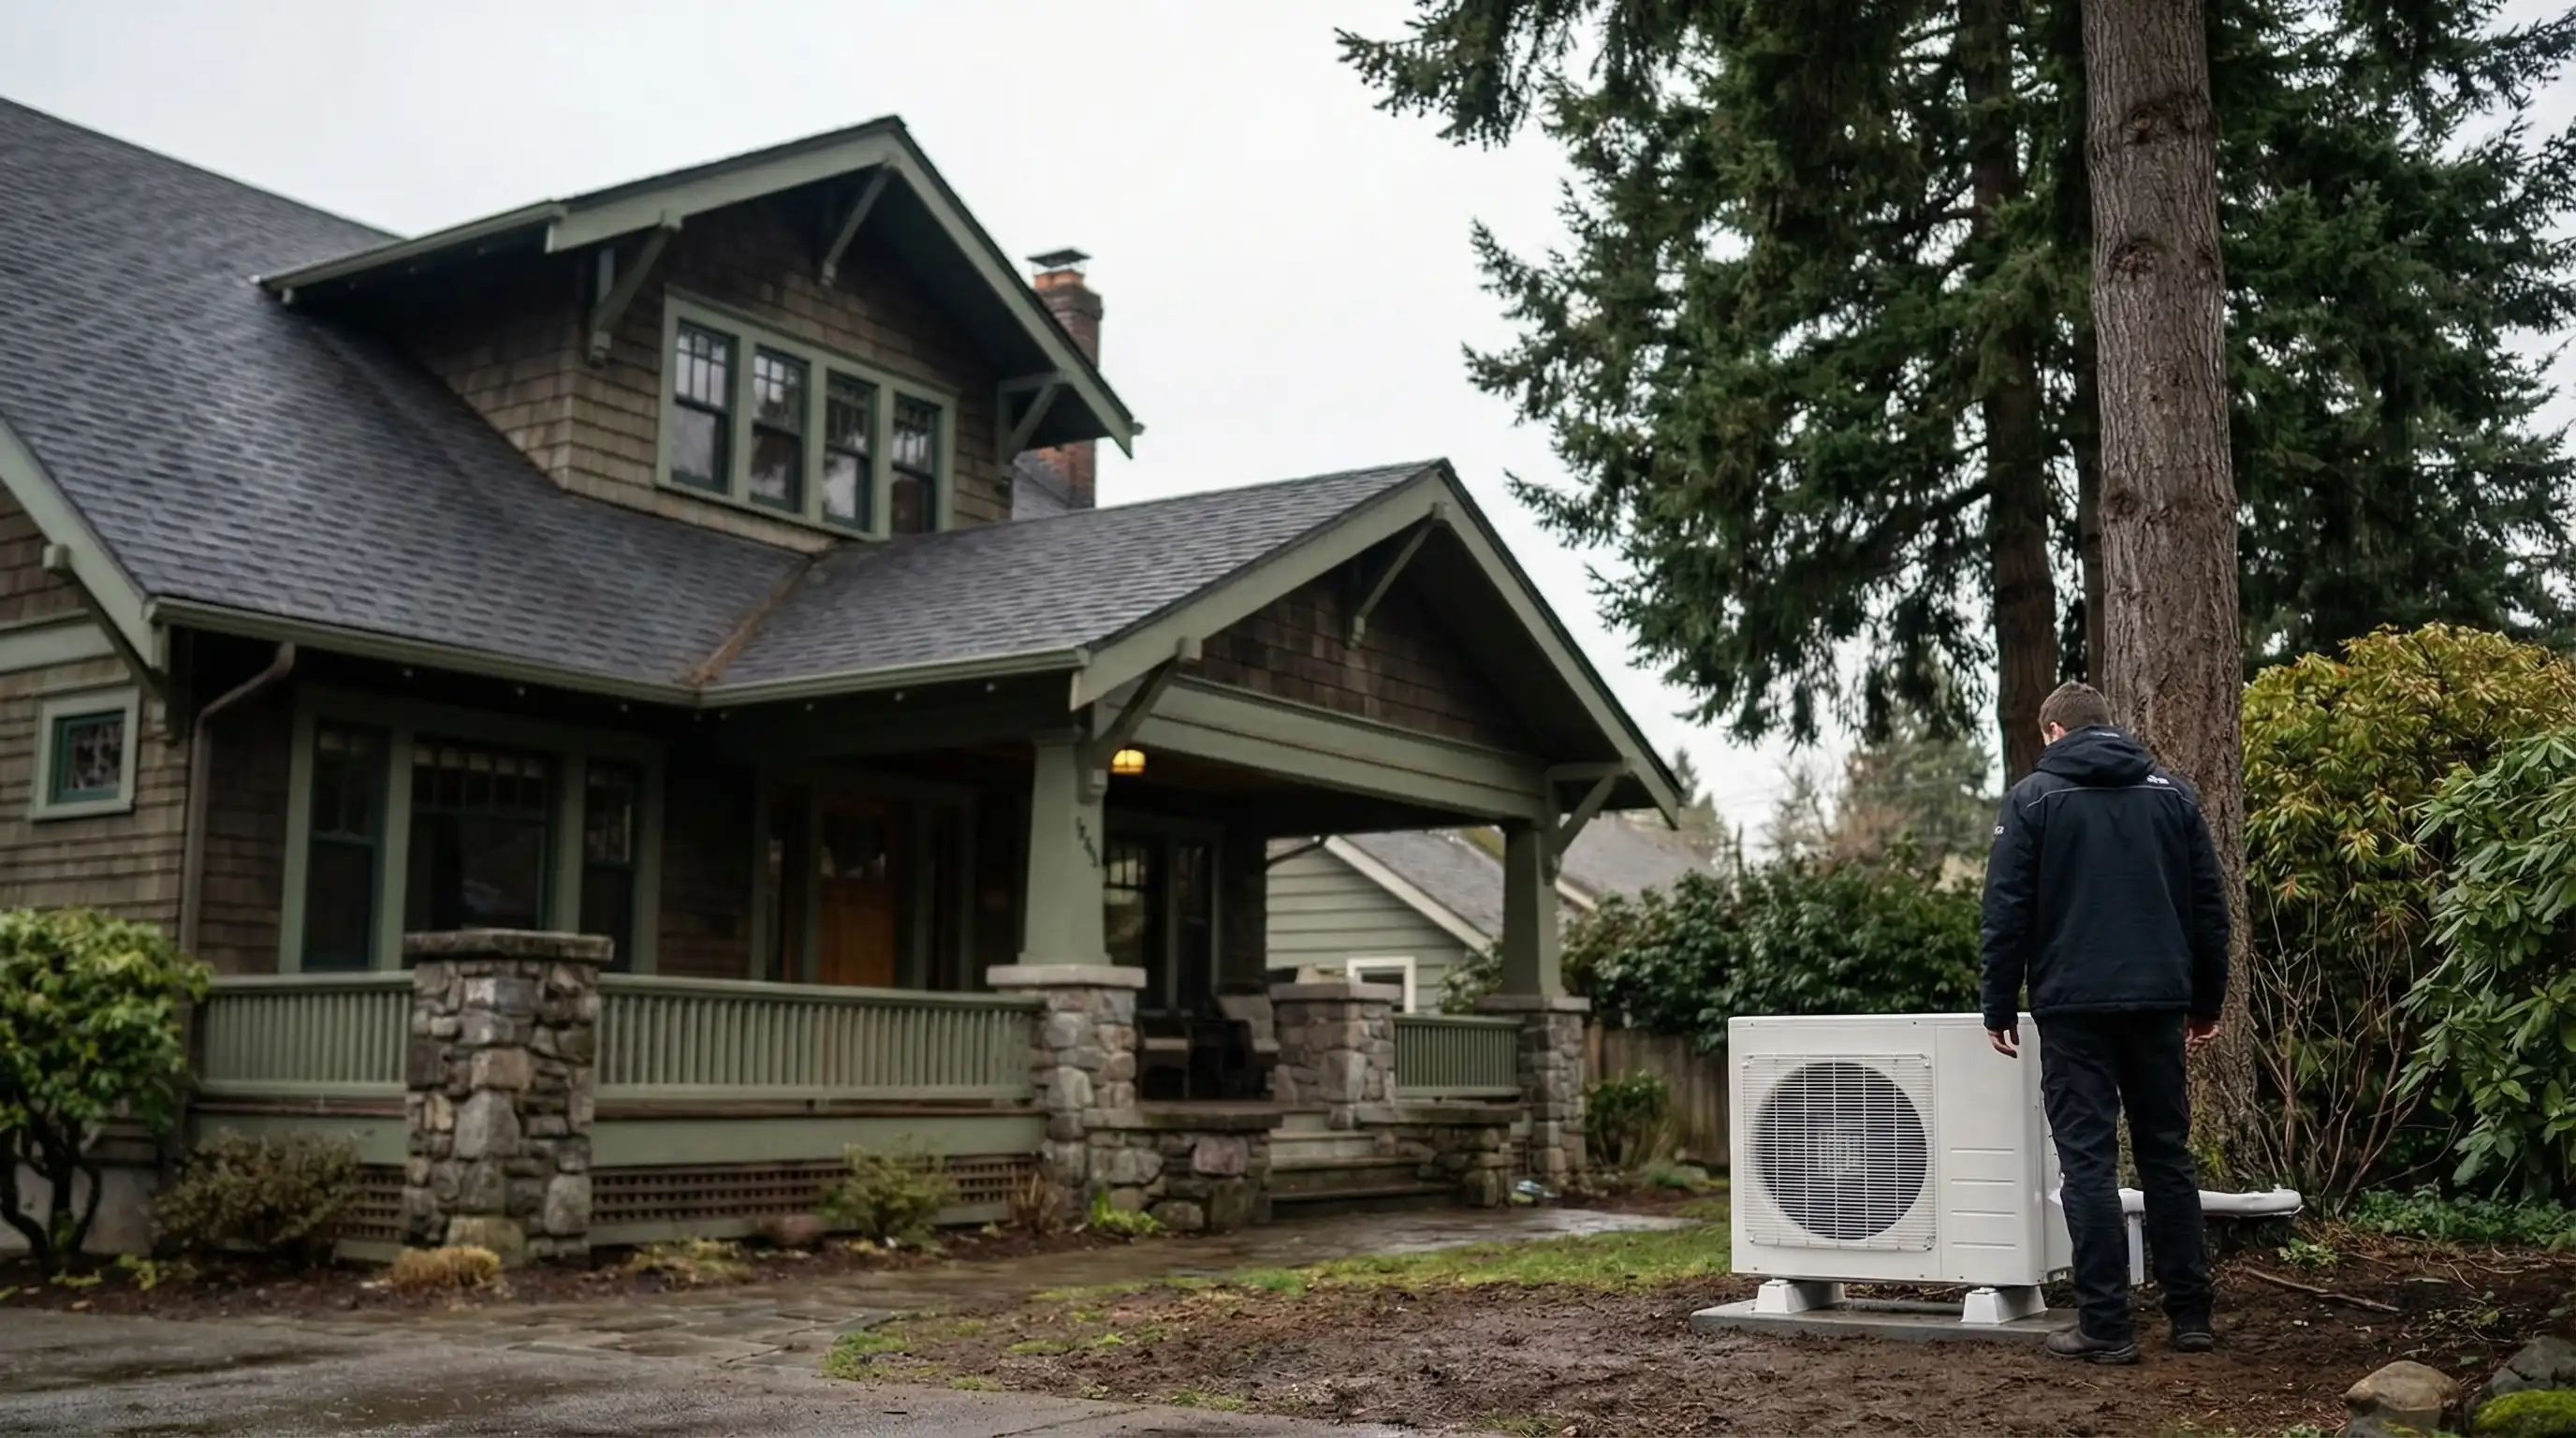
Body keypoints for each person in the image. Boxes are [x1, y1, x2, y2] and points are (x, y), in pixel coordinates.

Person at [1979, 681, 2229, 1364]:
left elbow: (2006, 910)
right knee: (2165, 1156)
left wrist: (1998, 1004)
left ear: (2054, 732)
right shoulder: (2172, 797)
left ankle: (2107, 1327)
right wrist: (2207, 1001)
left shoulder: (2034, 800)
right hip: (2158, 1004)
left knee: (2087, 1164)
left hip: (2073, 1007)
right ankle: (2191, 1317)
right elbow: (2209, 907)